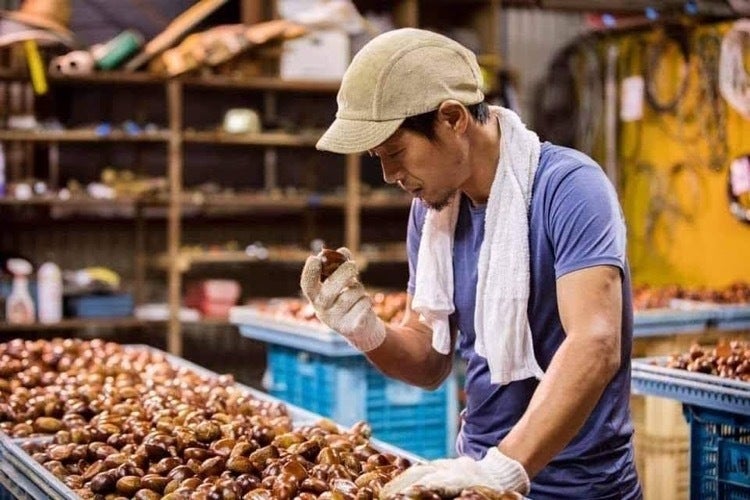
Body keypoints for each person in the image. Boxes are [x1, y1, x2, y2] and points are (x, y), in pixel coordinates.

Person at [300, 28, 642, 499]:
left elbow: (596, 343)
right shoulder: (433, 213)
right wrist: (363, 328)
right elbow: (429, 360)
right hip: (476, 476)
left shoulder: (569, 188)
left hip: (578, 487)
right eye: (378, 158)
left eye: (395, 152)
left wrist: (503, 471)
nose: (390, 175)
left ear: (452, 118)